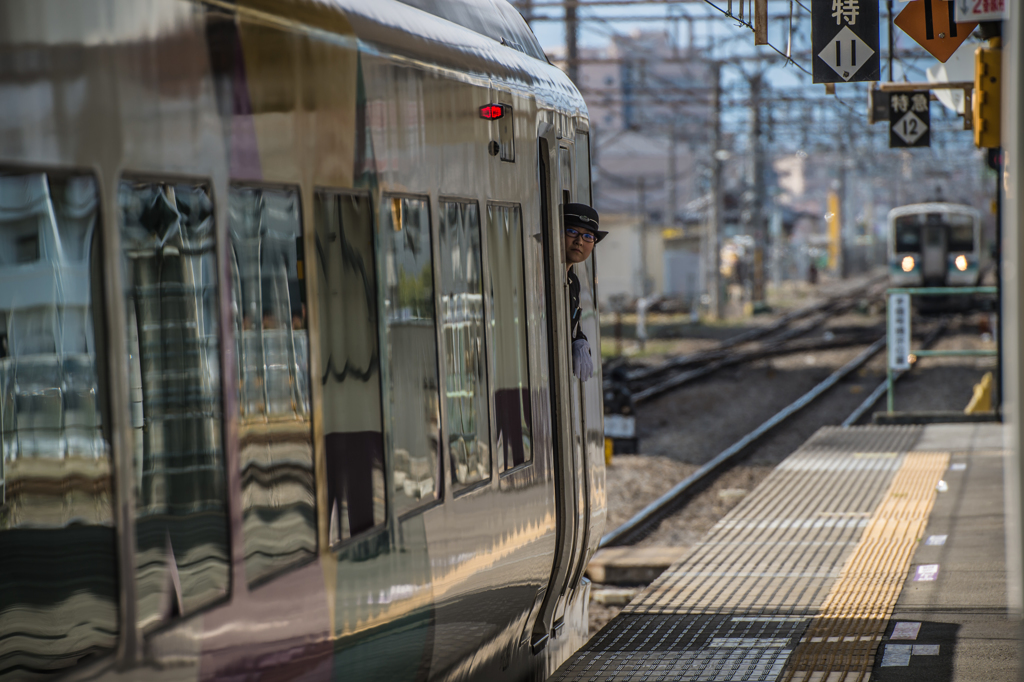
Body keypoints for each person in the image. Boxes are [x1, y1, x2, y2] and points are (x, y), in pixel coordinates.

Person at [563, 203, 606, 381]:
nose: (579, 241)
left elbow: (573, 327)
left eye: (588, 236)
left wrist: (579, 341)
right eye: (572, 231)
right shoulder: (539, 277)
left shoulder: (572, 283)